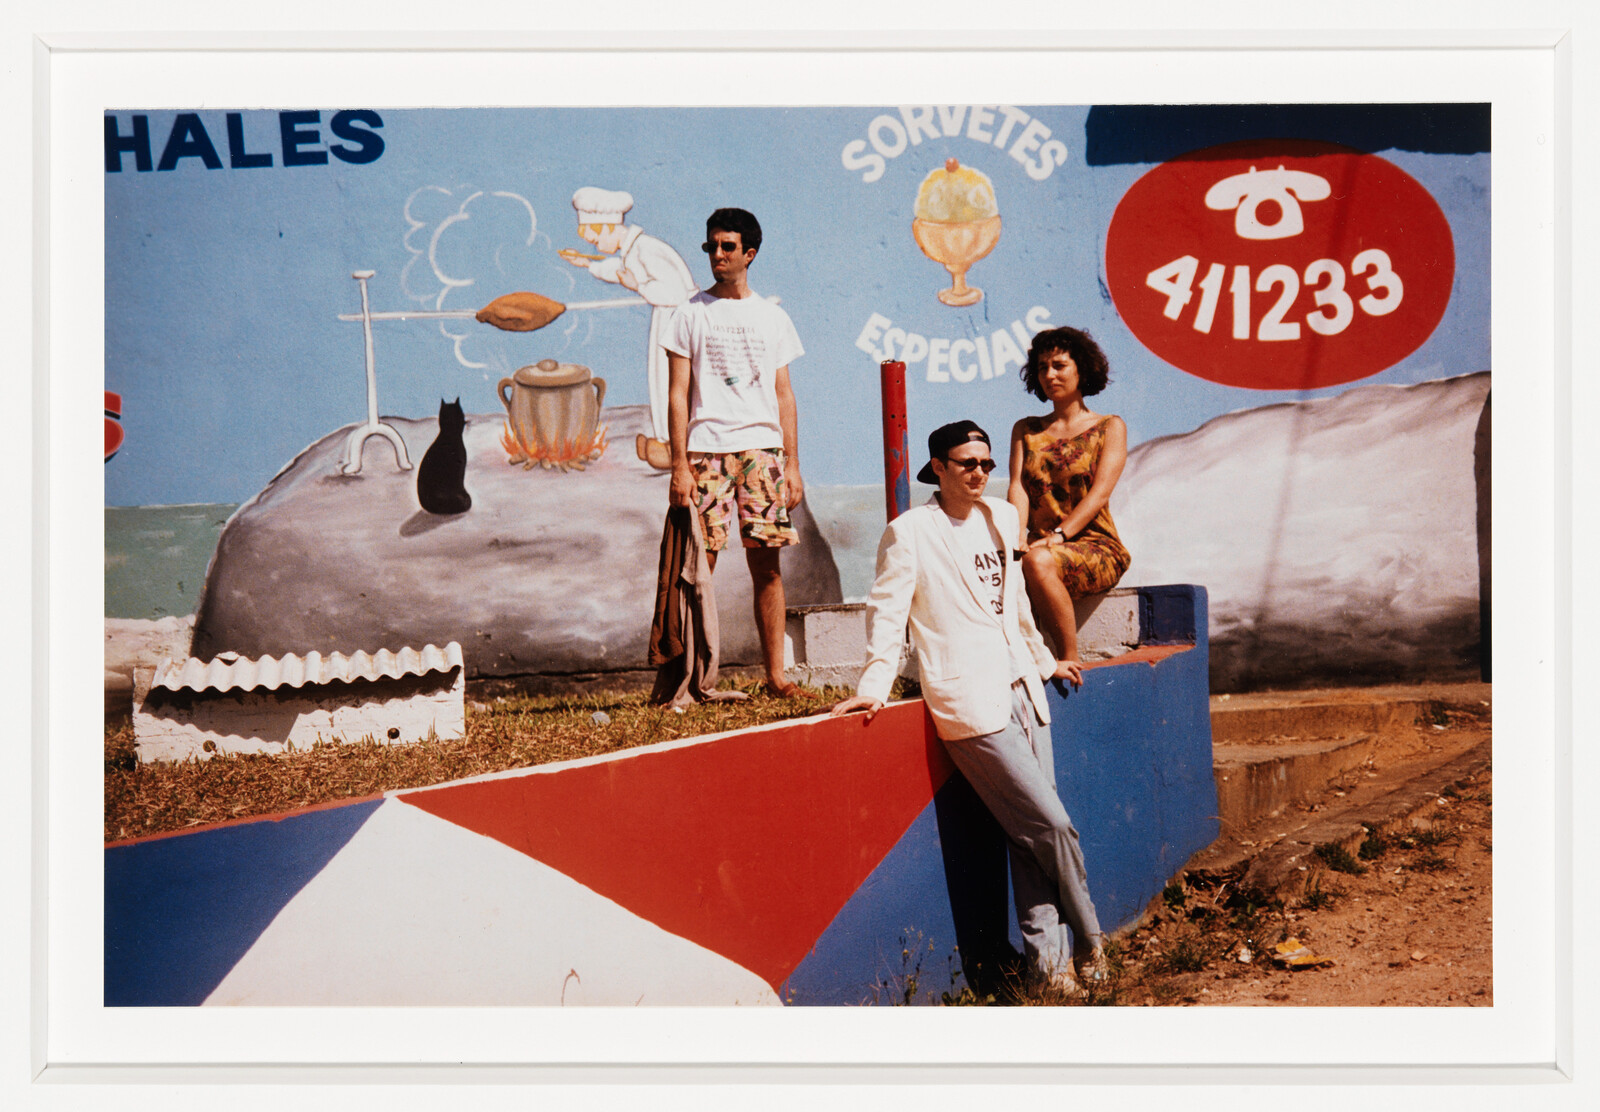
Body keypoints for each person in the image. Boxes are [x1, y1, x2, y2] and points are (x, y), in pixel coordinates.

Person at [831, 420, 1105, 993]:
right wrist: (876, 683)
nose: (980, 472)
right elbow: (888, 613)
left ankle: (1048, 973)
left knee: (1029, 837)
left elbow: (1015, 607)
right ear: (938, 468)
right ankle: (1091, 943)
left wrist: (1046, 659)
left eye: (986, 463)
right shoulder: (909, 533)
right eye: (966, 464)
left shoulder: (1004, 518)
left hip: (1024, 687)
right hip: (969, 704)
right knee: (1053, 826)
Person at [663, 208, 808, 698]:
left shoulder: (773, 316)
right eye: (711, 247)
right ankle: (688, 680)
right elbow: (677, 393)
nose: (717, 256)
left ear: (749, 253)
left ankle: (776, 676)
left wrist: (792, 463)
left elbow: (784, 393)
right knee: (697, 567)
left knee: (767, 566)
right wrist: (679, 464)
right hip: (706, 452)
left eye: (727, 247)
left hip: (761, 453)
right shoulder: (689, 313)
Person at [1006, 326, 1131, 667]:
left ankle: (1067, 658)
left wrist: (1059, 537)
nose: (1049, 374)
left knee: (1037, 562)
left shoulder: (1109, 426)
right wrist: (1017, 537)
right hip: (1037, 546)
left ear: (1082, 369)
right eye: (1042, 367)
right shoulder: (1026, 429)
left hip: (1095, 545)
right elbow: (1018, 487)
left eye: (1059, 365)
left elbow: (1100, 492)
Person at [563, 186, 698, 470]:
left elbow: (673, 291)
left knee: (671, 384)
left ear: (611, 227)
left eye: (597, 238)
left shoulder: (647, 249)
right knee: (661, 383)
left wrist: (638, 286)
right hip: (668, 320)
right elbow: (620, 270)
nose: (597, 246)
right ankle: (666, 443)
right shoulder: (634, 250)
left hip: (679, 322)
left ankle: (678, 448)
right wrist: (587, 263)